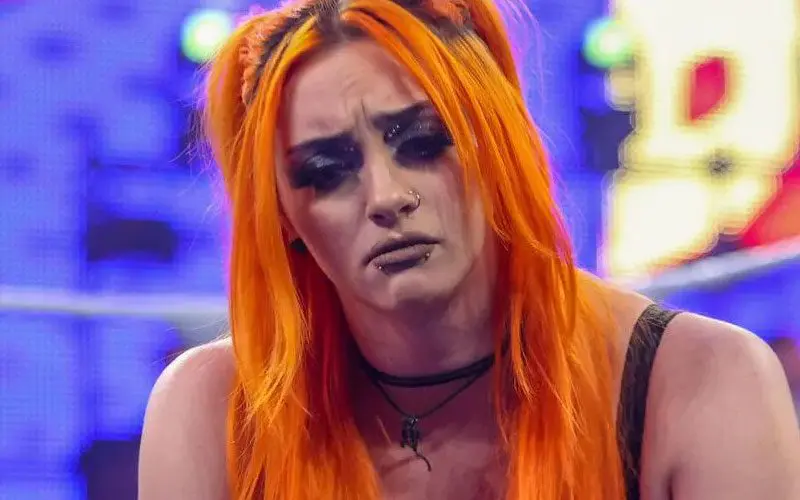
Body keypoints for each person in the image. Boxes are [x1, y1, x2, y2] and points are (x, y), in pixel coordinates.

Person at [137, 0, 800, 498]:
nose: (386, 196)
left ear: (499, 143)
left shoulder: (703, 381)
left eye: (424, 142)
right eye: (327, 171)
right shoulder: (211, 410)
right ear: (282, 217)